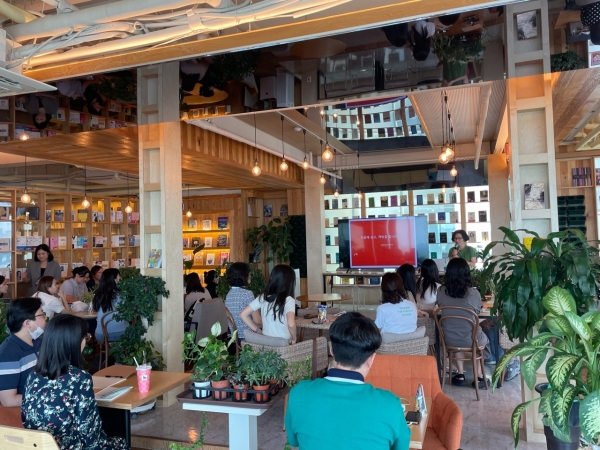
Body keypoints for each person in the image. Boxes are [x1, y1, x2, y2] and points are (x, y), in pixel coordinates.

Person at [285, 311, 410, 450]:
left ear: (331, 350)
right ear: (371, 359)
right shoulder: (390, 405)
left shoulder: (299, 393)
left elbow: (294, 442)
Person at [21, 314, 128, 450]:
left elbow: (25, 419)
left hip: (38, 446)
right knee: (121, 441)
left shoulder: (33, 375)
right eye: (85, 337)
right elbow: (91, 437)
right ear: (74, 342)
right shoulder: (79, 378)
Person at [435, 258, 491, 389]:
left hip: (449, 338)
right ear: (467, 274)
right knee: (481, 340)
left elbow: (439, 306)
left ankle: (460, 375)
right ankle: (479, 376)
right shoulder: (474, 293)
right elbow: (477, 311)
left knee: (457, 334)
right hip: (471, 339)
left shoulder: (441, 291)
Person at [0, 297, 46, 407]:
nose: (45, 318)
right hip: (26, 410)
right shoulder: (8, 353)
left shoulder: (38, 342)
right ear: (28, 323)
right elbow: (8, 401)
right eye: (42, 314)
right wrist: (48, 396)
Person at [239, 264, 297, 344]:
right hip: (283, 344)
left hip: (266, 343)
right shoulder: (288, 300)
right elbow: (291, 324)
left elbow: (242, 314)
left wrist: (257, 330)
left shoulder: (263, 297)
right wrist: (294, 339)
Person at [224, 262, 260, 341]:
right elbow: (257, 321)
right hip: (248, 337)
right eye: (248, 274)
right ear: (243, 276)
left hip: (235, 338)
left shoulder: (228, 294)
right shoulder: (247, 294)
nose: (250, 276)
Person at [92, 268, 128, 343]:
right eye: (119, 277)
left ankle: (108, 349)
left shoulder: (98, 295)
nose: (121, 279)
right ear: (114, 280)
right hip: (122, 333)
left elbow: (95, 309)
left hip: (102, 335)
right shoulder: (122, 295)